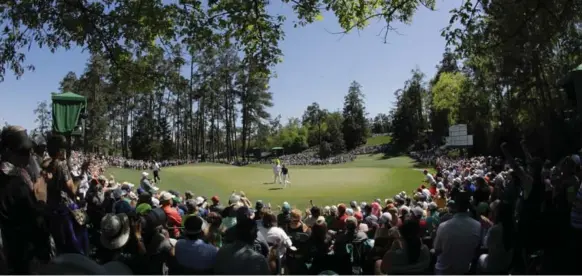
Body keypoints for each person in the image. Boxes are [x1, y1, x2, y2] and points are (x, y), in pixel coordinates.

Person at [0, 126, 52, 273]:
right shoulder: (16, 185)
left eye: (30, 151)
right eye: (23, 152)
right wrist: (42, 200)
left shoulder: (16, 175)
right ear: (7, 152)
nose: (28, 156)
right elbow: (36, 222)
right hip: (22, 254)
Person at [45, 134, 89, 255]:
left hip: (51, 209)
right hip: (63, 211)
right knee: (76, 242)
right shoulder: (61, 165)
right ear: (60, 150)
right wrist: (82, 173)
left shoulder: (46, 164)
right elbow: (72, 191)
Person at [433, 192, 481, 274]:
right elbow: (476, 249)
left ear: (455, 207)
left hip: (444, 270)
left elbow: (437, 250)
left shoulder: (443, 226)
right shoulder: (477, 225)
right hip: (464, 269)